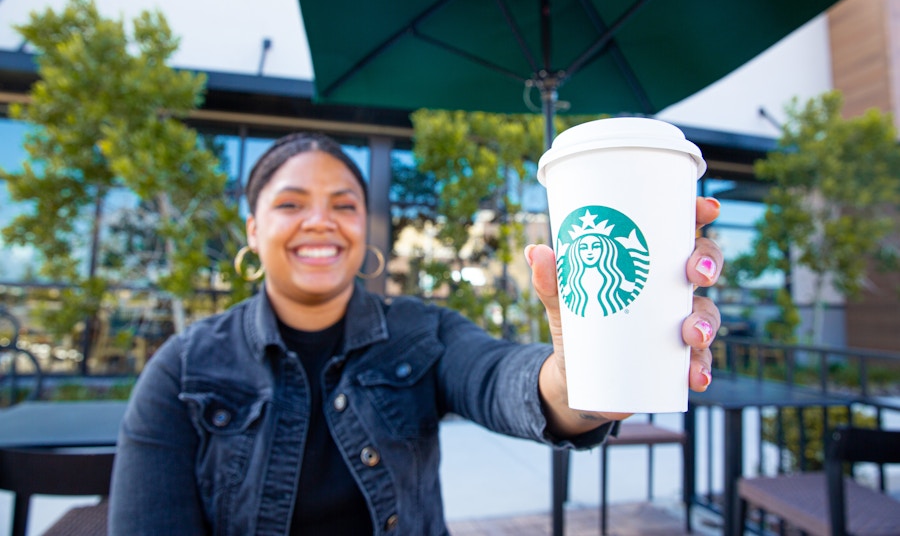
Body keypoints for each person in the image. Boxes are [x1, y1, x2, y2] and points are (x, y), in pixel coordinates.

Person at [108, 132, 722, 535]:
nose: (321, 221)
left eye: (345, 205)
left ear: (364, 229)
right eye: (291, 204)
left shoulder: (418, 331)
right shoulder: (182, 369)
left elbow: (499, 376)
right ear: (252, 230)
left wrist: (584, 376)